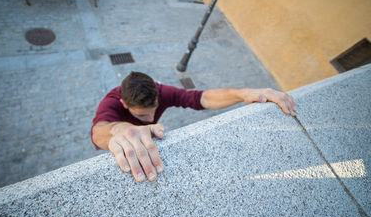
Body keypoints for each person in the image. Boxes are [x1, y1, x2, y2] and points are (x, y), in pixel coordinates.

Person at [92, 71, 296, 182]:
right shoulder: (111, 102)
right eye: (143, 115)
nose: (151, 117)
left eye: (154, 109)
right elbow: (98, 131)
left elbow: (200, 98)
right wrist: (118, 130)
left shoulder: (162, 92)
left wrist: (244, 93)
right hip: (124, 148)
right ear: (125, 105)